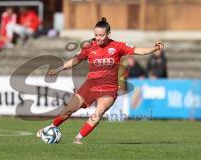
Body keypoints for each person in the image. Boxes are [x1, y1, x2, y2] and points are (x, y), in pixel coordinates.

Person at [36, 17, 164, 144]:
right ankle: (50, 128)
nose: (98, 38)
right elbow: (76, 59)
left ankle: (78, 139)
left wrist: (154, 48)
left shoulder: (117, 46)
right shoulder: (89, 47)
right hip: (90, 85)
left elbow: (138, 51)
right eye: (96, 35)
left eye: (101, 35)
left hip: (109, 88)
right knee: (69, 108)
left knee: (99, 112)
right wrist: (60, 68)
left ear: (108, 34)